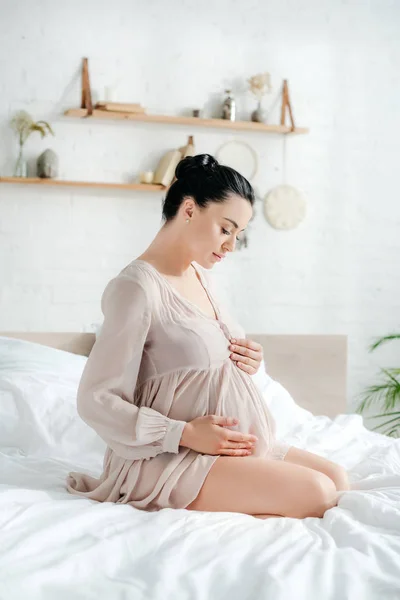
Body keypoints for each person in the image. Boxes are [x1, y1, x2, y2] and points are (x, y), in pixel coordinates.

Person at [66, 154, 349, 519]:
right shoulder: (136, 288)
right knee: (317, 492)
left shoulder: (203, 278)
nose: (231, 245)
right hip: (169, 457)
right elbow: (96, 398)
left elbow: (203, 355)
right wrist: (183, 433)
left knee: (336, 477)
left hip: (229, 446)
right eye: (226, 228)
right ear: (188, 209)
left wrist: (248, 358)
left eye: (238, 234)